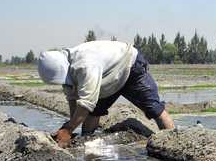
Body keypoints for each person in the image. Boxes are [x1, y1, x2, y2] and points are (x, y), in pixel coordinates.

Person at [37, 40, 174, 148]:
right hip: (108, 76)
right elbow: (73, 98)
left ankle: (172, 141)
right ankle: (87, 142)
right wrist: (70, 127)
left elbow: (86, 104)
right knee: (93, 113)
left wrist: (68, 129)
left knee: (154, 108)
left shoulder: (85, 64)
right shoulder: (68, 71)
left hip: (130, 65)